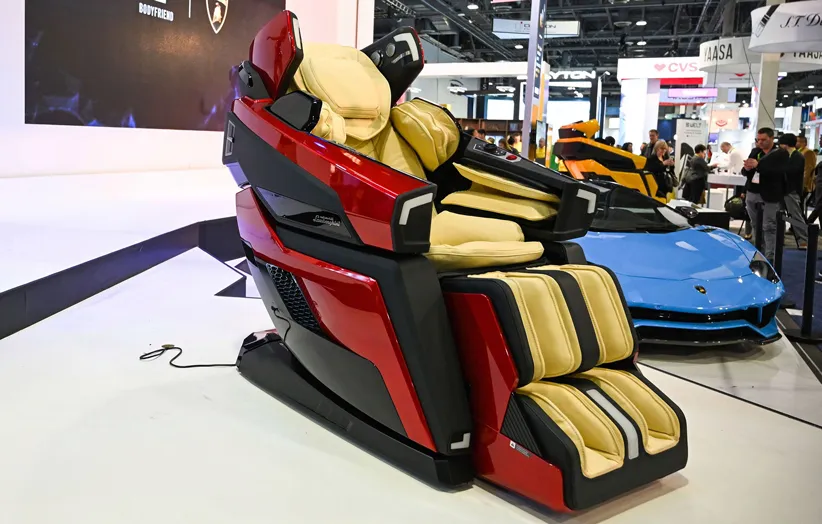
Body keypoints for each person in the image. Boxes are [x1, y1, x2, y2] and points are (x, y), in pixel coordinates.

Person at [742, 127, 789, 261]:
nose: (760, 142)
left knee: (769, 226)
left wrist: (758, 165)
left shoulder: (781, 153)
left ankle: (770, 255)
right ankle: (758, 252)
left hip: (771, 193)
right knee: (755, 224)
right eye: (758, 139)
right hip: (752, 191)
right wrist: (747, 168)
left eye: (764, 140)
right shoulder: (755, 151)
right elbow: (746, 172)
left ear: (772, 138)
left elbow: (777, 172)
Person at [779, 133, 809, 249]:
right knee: (780, 215)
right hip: (782, 190)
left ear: (785, 144)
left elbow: (792, 172)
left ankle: (804, 240)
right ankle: (780, 239)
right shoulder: (786, 156)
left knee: (795, 215)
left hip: (792, 191)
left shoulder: (798, 157)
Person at [797, 135, 817, 208]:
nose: (796, 143)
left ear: (804, 143)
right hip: (798, 183)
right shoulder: (799, 152)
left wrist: (804, 184)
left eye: (798, 141)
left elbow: (808, 169)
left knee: (799, 206)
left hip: (804, 184)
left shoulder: (808, 152)